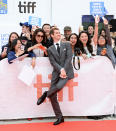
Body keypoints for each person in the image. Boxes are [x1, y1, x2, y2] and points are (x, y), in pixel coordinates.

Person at [37, 27, 74, 125]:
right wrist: (60, 69)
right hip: (56, 73)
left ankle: (46, 94)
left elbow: (69, 58)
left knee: (58, 86)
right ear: (52, 35)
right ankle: (59, 117)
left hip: (66, 72)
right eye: (56, 33)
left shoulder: (67, 44)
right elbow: (53, 62)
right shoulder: (50, 49)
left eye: (59, 32)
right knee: (53, 96)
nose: (59, 34)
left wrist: (64, 70)